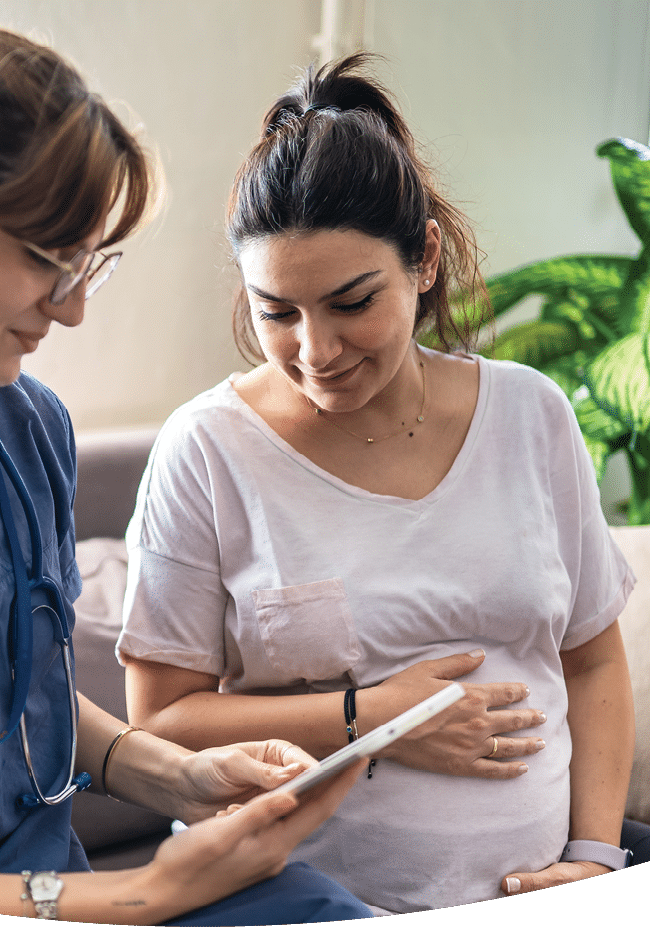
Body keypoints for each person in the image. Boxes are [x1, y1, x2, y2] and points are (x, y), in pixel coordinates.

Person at [0, 6, 375, 922]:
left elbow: (20, 695)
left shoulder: (28, 426)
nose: (72, 311)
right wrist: (142, 891)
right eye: (51, 262)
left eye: (92, 266)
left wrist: (182, 775)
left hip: (74, 892)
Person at [118, 54, 642, 914]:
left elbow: (591, 661)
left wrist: (593, 856)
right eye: (277, 312)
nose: (315, 351)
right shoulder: (207, 449)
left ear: (424, 259)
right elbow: (161, 725)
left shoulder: (530, 414)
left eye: (352, 301)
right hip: (296, 894)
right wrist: (374, 718)